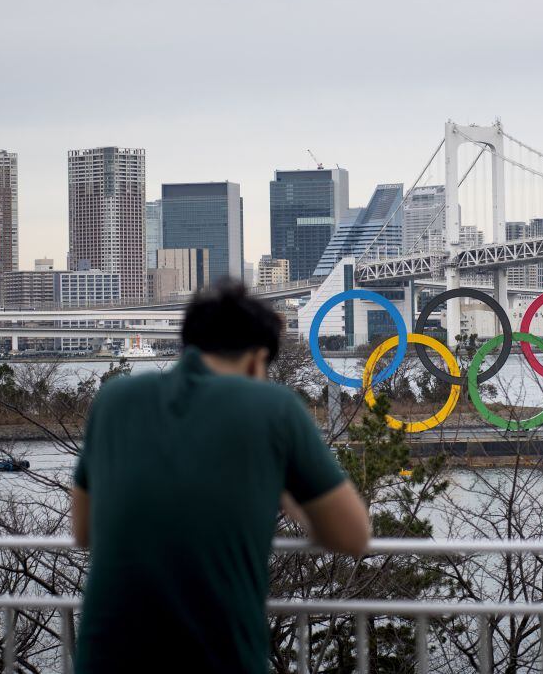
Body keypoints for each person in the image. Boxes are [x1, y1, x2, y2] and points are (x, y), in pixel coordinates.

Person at [72, 281, 370, 674]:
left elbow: (83, 531)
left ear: (188, 343)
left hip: (105, 658)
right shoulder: (273, 407)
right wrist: (281, 488)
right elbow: (352, 536)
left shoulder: (114, 399)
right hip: (219, 657)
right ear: (257, 360)